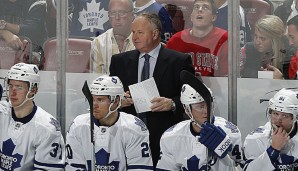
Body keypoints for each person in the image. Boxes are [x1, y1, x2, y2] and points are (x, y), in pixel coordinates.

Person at [109, 12, 195, 167]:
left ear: (155, 34)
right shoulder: (119, 61)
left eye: (140, 32)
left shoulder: (179, 61)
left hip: (165, 134)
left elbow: (194, 99)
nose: (134, 37)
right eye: (133, 32)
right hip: (127, 135)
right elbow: (109, 96)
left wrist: (172, 103)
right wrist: (119, 100)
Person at [65, 75, 153, 170]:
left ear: (116, 101)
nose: (94, 105)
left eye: (100, 100)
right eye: (92, 99)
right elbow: (73, 167)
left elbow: (140, 168)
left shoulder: (134, 128)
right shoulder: (78, 125)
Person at [156, 84, 243, 171]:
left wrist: (226, 153)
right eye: (200, 107)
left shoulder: (230, 131)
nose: (206, 111)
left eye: (208, 104)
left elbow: (242, 166)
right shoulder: (171, 136)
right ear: (187, 109)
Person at [0, 63, 65, 170]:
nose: (13, 92)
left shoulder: (47, 128)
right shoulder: (2, 113)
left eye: (19, 87)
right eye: (10, 86)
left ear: (33, 90)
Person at [166, 0, 229, 77]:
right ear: (191, 16)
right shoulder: (175, 40)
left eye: (205, 7)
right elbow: (167, 74)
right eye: (196, 7)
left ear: (213, 17)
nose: (200, 10)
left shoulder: (225, 39)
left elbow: (227, 78)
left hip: (215, 88)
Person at [243, 88, 298, 170]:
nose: (278, 120)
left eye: (285, 115)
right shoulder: (256, 138)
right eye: (275, 113)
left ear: (295, 117)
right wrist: (273, 150)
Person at [90, 0, 135, 74]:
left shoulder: (142, 40)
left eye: (122, 13)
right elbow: (96, 79)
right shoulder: (99, 43)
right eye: (113, 13)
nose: (117, 17)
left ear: (132, 15)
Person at [0, 0, 47, 65]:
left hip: (32, 60)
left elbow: (32, 30)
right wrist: (4, 33)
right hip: (3, 58)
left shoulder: (37, 2)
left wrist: (4, 25)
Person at [240, 15, 286, 79]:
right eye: (256, 36)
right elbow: (244, 72)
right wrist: (267, 75)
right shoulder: (249, 48)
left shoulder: (287, 53)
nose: (257, 42)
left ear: (274, 40)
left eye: (263, 38)